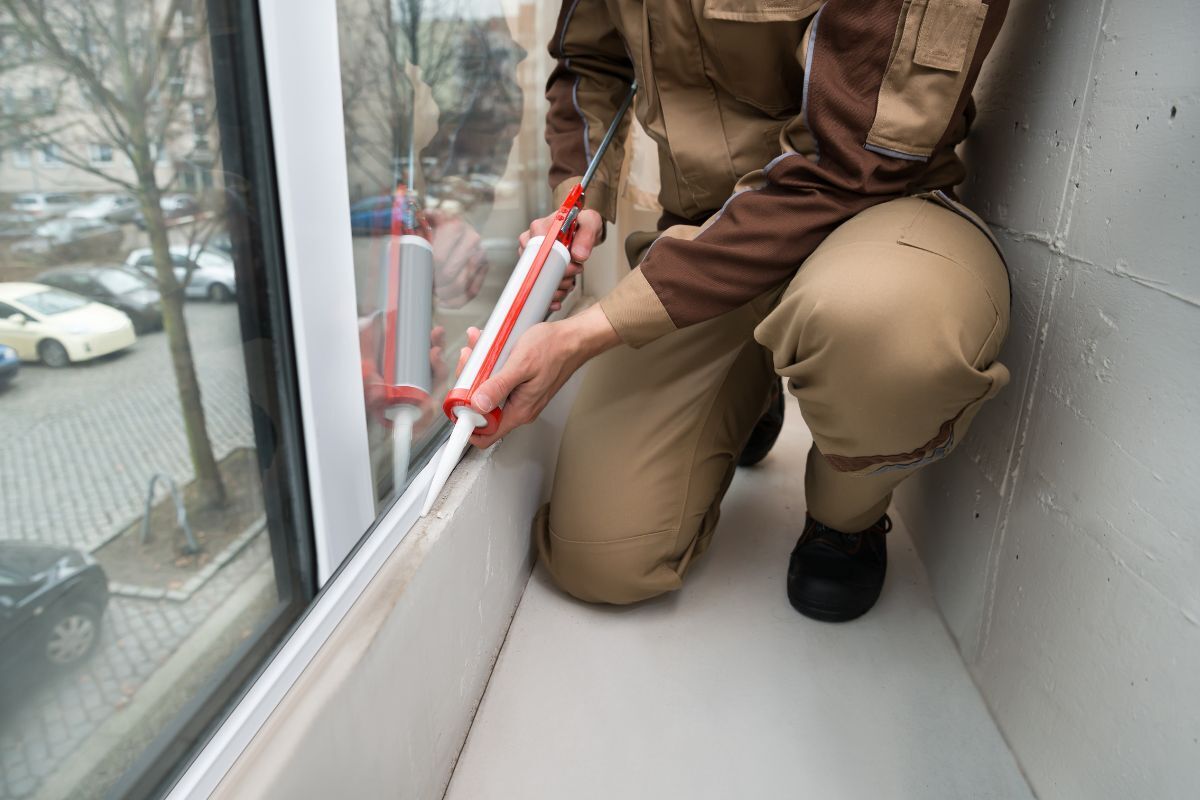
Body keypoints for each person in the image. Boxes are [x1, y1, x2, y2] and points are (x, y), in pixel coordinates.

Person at [462, 0, 1011, 622]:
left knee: (887, 330)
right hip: (704, 231)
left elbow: (854, 160)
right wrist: (579, 195)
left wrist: (585, 333)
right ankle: (752, 382)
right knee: (599, 560)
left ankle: (845, 519)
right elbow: (589, 57)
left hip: (870, 211)